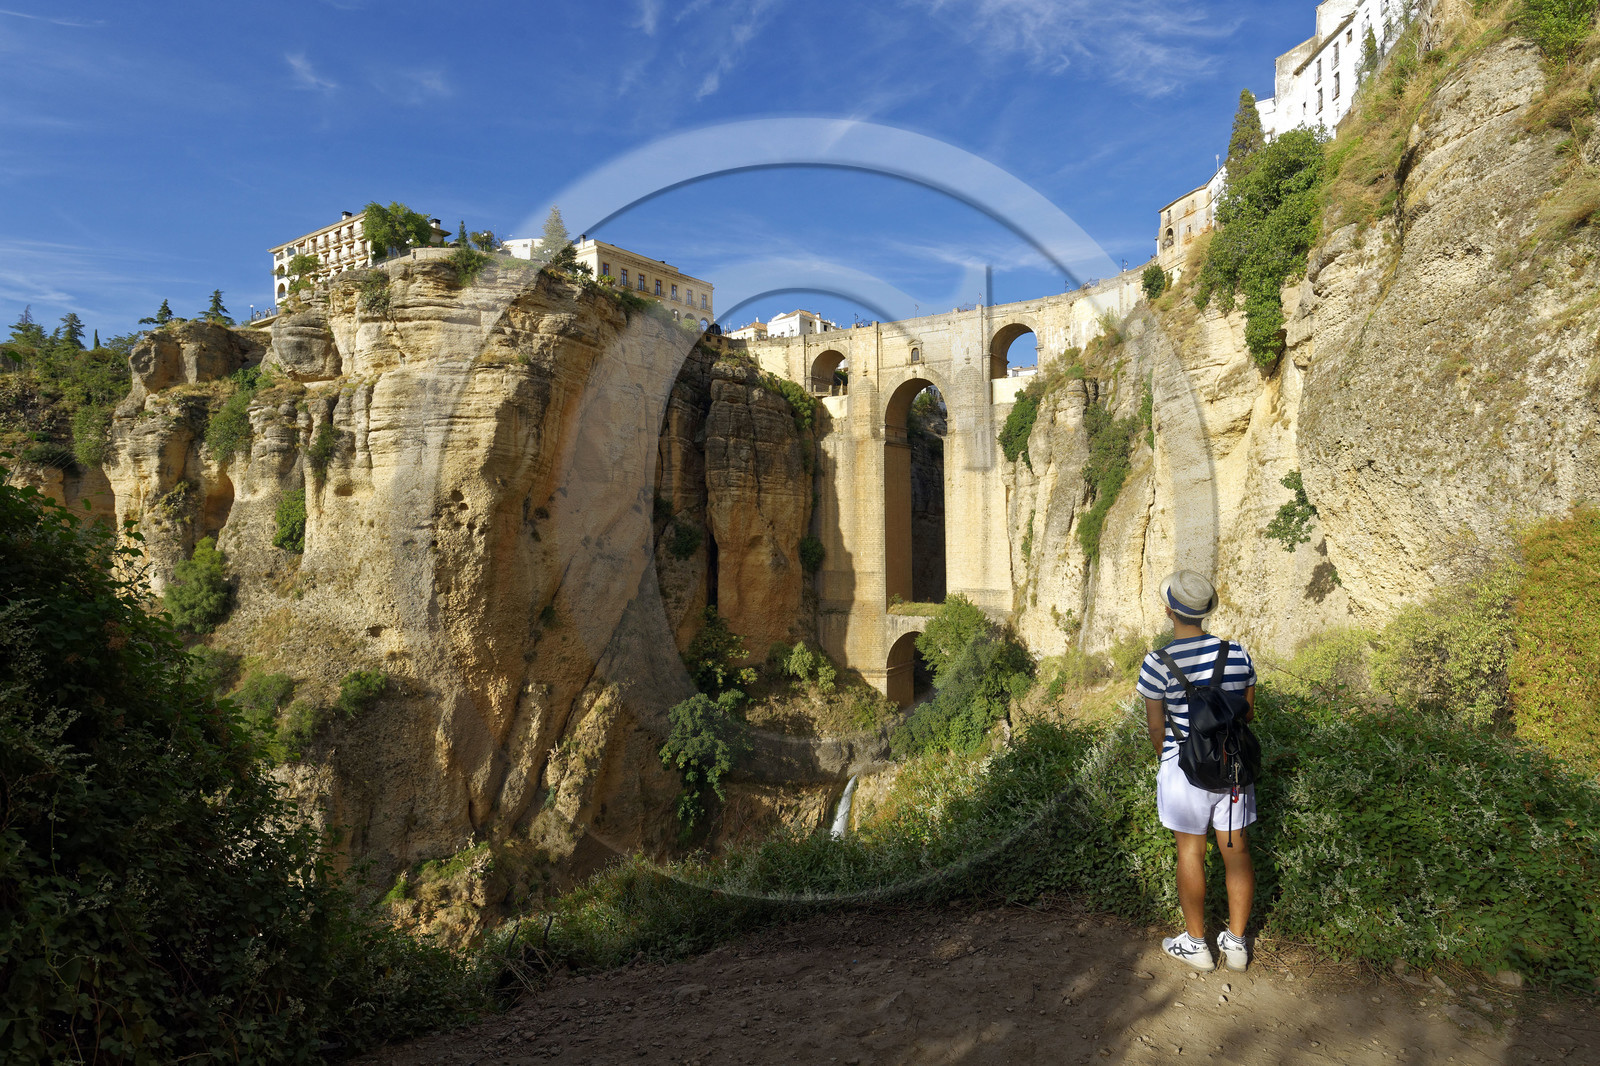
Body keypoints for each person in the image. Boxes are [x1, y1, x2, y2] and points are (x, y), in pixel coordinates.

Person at [1135, 570, 1257, 973]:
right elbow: (1248, 711)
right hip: (1232, 765)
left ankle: (1196, 945)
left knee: (1190, 852)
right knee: (1235, 851)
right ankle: (1237, 945)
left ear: (1169, 611)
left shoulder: (1157, 663)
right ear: (1205, 611)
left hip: (1184, 768)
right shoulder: (1237, 653)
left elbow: (1157, 728)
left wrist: (1170, 756)